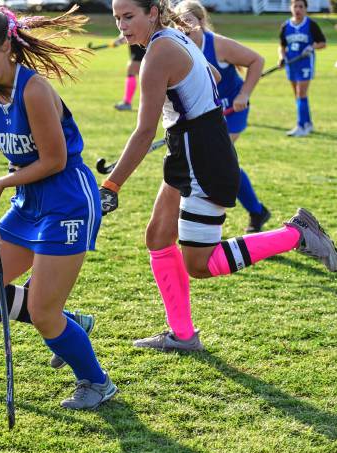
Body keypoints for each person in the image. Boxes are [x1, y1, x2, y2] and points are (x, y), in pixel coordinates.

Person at [100, 0, 337, 351]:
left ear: (152, 12)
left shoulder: (158, 53)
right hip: (189, 147)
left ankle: (295, 234)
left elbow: (144, 131)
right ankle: (182, 334)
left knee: (199, 263)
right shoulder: (176, 37)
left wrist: (111, 185)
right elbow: (212, 73)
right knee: (158, 237)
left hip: (202, 154)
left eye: (129, 16)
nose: (121, 25)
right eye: (117, 17)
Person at [0, 5, 117, 409]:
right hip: (28, 203)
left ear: (7, 47)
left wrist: (3, 183)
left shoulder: (35, 90)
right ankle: (70, 325)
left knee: (44, 311)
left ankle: (96, 383)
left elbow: (54, 160)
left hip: (69, 200)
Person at [175, 0, 270, 233]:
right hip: (205, 113)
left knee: (219, 160)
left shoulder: (218, 45)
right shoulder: (178, 46)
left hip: (232, 109)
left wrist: (244, 94)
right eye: (179, 21)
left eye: (189, 19)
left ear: (201, 21)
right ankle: (257, 211)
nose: (184, 25)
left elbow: (257, 60)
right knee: (220, 162)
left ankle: (251, 212)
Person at [279, 0, 326, 137]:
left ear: (305, 9)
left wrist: (311, 47)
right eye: (295, 6)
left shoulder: (311, 24)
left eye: (301, 6)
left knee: (301, 94)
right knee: (298, 96)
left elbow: (322, 43)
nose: (298, 9)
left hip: (305, 64)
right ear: (291, 8)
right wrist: (281, 57)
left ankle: (301, 125)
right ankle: (308, 123)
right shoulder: (285, 26)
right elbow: (282, 46)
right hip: (291, 64)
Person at [113, 35, 146, 112]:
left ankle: (127, 102)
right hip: (136, 48)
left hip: (140, 47)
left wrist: (119, 41)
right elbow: (125, 32)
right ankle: (127, 102)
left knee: (133, 69)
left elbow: (132, 32)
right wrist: (118, 40)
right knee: (133, 70)